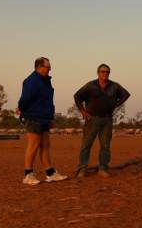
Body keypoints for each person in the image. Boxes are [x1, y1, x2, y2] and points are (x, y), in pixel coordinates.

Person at [74, 63, 131, 178]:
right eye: (103, 72)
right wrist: (83, 112)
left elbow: (126, 94)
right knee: (86, 144)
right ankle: (82, 169)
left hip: (107, 119)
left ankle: (103, 168)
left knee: (105, 145)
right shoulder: (90, 86)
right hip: (92, 119)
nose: (105, 74)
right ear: (98, 73)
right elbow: (77, 96)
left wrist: (116, 104)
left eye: (107, 72)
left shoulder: (114, 86)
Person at [17, 57, 68, 185]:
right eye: (47, 67)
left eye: (49, 67)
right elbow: (25, 98)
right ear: (39, 67)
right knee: (33, 145)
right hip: (34, 116)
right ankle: (28, 175)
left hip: (44, 117)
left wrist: (50, 118)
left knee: (45, 145)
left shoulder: (46, 81)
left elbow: (47, 100)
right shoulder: (32, 81)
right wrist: (22, 110)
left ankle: (50, 173)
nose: (49, 69)